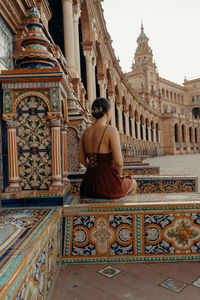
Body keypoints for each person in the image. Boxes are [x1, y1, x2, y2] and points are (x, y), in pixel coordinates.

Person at [80, 97, 137, 199]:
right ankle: (124, 213)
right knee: (133, 183)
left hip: (88, 185)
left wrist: (93, 167)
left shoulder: (85, 132)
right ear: (107, 112)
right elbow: (119, 163)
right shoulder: (111, 130)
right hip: (108, 185)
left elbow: (82, 160)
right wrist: (118, 177)